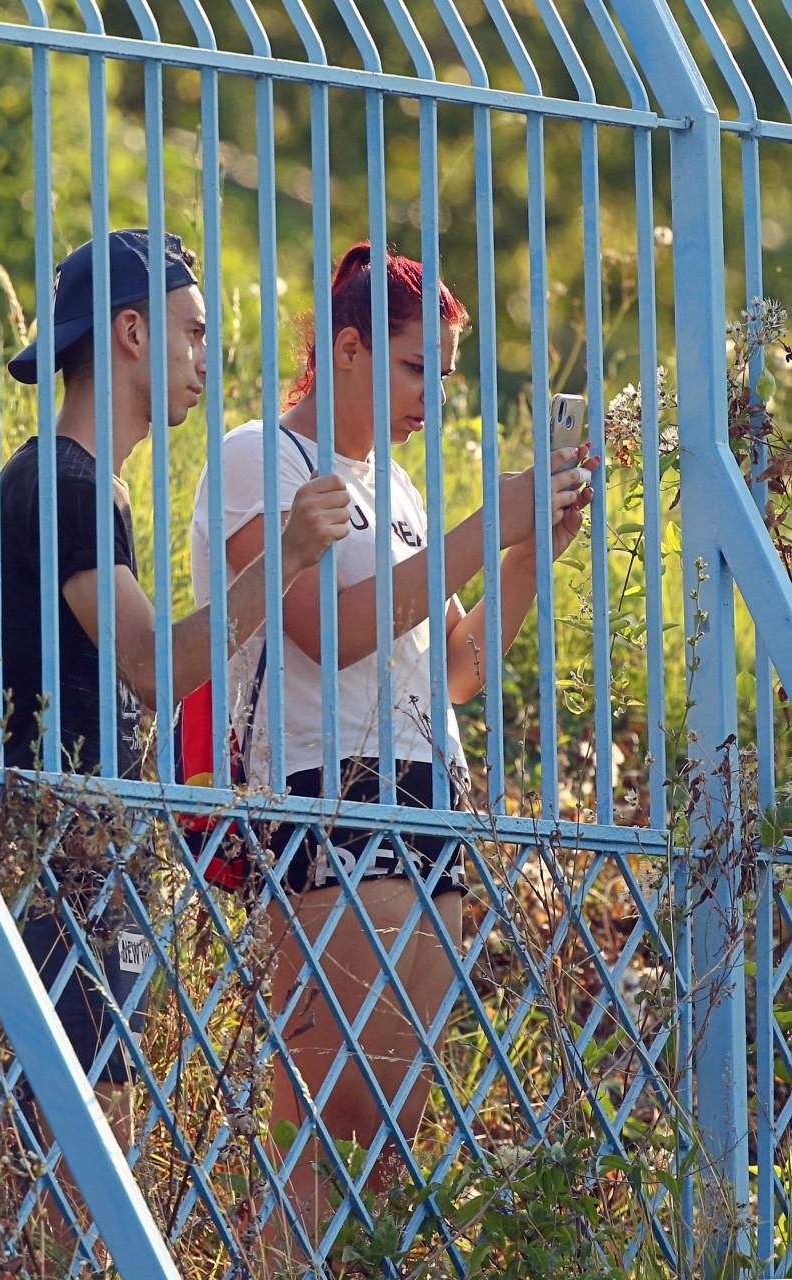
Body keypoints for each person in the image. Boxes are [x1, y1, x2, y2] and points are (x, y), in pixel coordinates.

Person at [190, 242, 598, 1252]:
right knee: (325, 1122)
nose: (431, 395)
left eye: (442, 375)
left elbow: (455, 668)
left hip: (426, 795)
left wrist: (525, 552)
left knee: (391, 1135)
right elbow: (324, 632)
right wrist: (483, 524)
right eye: (417, 367)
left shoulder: (401, 488)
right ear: (348, 348)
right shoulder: (259, 457)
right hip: (325, 786)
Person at [0, 228, 350, 1243]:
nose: (204, 356)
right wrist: (286, 554)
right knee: (83, 1131)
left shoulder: (92, 485)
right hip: (63, 842)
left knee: (97, 1115)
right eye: (192, 331)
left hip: (90, 842)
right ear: (130, 332)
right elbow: (151, 665)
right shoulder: (64, 482)